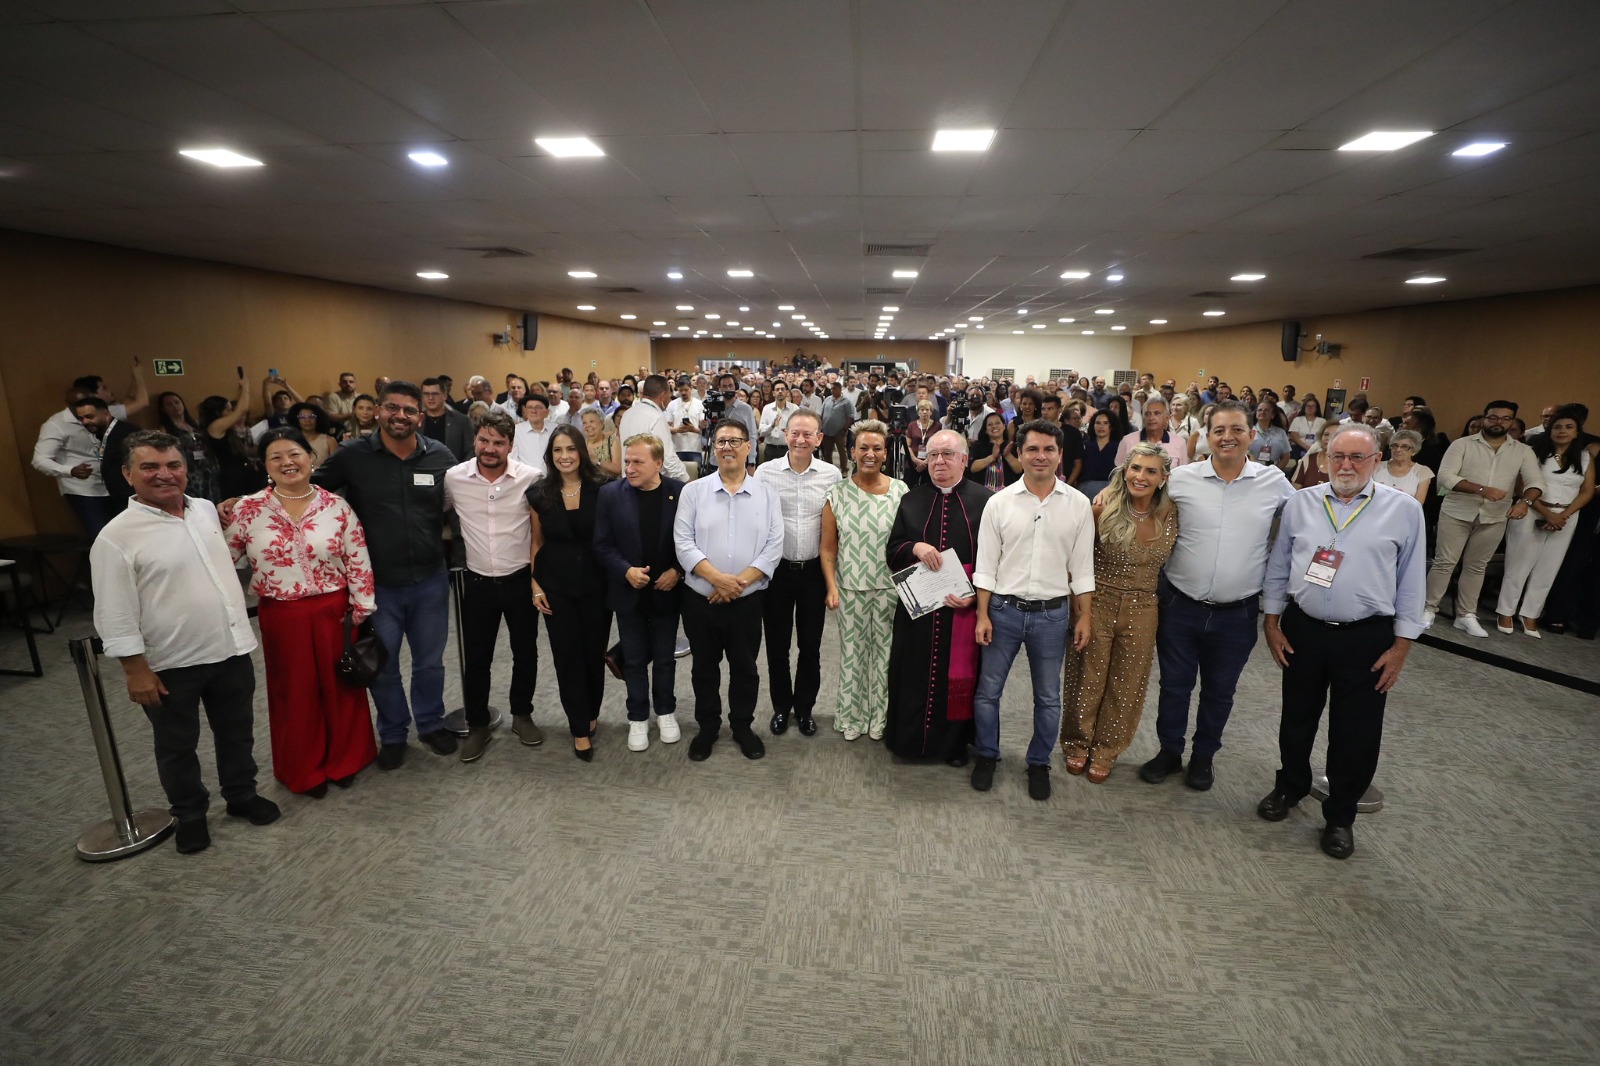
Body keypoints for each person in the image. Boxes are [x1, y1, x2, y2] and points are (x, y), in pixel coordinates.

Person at [92, 430, 278, 854]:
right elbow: (114, 612)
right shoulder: (116, 537)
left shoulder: (205, 510)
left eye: (173, 465)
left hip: (230, 649)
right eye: (150, 467)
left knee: (237, 733)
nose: (164, 474)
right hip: (170, 663)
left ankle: (241, 794)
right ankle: (190, 813)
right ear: (127, 474)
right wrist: (135, 671)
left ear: (185, 469)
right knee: (177, 746)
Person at [1259, 424, 1426, 861]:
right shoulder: (1301, 503)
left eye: (1357, 457)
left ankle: (1340, 815)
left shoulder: (1404, 510)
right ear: (1325, 458)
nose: (1346, 465)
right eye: (1338, 456)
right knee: (1297, 716)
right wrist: (1272, 622)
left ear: (1376, 461)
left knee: (1356, 731)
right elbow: (1279, 565)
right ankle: (1290, 785)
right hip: (1304, 628)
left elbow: (1412, 581)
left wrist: (1402, 646)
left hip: (1367, 636)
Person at [1140, 399, 1294, 791]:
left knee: (1220, 691)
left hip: (1237, 612)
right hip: (1180, 604)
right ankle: (1169, 751)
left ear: (1252, 435)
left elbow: (1306, 523)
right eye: (1219, 430)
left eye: (1237, 429)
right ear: (1207, 437)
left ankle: (1203, 756)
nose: (1228, 437)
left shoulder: (1274, 483)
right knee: (1174, 686)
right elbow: (1138, 499)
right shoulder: (1181, 479)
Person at [311, 381, 458, 767]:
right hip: (377, 585)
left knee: (430, 662)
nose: (400, 416)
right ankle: (393, 733)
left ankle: (430, 723)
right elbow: (309, 493)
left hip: (430, 580)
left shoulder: (439, 456)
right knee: (383, 664)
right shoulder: (352, 455)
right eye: (392, 407)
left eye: (409, 410)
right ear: (378, 411)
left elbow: (461, 502)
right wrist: (249, 501)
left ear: (420, 417)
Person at [226, 428, 378, 795]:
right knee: (294, 692)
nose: (287, 462)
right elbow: (224, 561)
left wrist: (362, 606)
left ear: (311, 458)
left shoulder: (336, 507)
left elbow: (357, 558)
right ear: (264, 465)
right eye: (275, 457)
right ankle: (303, 767)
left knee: (341, 686)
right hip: (282, 615)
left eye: (294, 454)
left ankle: (345, 759)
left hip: (333, 611)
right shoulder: (247, 509)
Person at [970, 421, 1095, 801]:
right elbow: (986, 565)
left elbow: (1082, 568)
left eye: (1048, 449)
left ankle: (1039, 762)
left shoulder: (1078, 504)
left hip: (1052, 616)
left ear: (1060, 455)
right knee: (988, 692)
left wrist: (1085, 616)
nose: (1041, 456)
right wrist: (982, 614)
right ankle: (987, 754)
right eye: (1033, 449)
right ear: (1019, 454)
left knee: (1048, 697)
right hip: (1003, 611)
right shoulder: (999, 502)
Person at [1062, 443, 1178, 783]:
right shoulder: (1102, 508)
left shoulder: (1172, 513)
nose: (1141, 476)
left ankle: (1107, 749)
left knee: (1127, 683)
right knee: (1088, 676)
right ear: (1125, 471)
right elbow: (1077, 561)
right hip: (1099, 599)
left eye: (1151, 471)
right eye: (1135, 468)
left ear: (1163, 478)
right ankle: (1077, 742)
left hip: (1144, 606)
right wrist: (1077, 607)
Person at [673, 419, 784, 761]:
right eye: (721, 441)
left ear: (749, 447)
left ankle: (742, 727)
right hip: (700, 599)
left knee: (745, 668)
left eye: (735, 441)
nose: (727, 447)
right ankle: (707, 727)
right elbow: (683, 543)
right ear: (713, 448)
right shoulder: (693, 491)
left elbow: (773, 546)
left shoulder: (767, 494)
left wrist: (737, 585)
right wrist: (718, 580)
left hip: (746, 602)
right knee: (704, 668)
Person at [442, 412, 546, 762]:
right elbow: (438, 515)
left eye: (499, 442)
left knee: (525, 652)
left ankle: (522, 714)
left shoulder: (530, 478)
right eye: (484, 440)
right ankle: (478, 725)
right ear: (475, 440)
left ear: (510, 446)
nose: (490, 448)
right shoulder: (454, 478)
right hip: (477, 582)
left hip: (519, 580)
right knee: (477, 658)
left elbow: (541, 531)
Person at [883, 429, 991, 766]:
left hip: (963, 610)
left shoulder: (986, 501)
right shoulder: (911, 500)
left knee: (955, 678)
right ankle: (909, 741)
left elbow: (996, 560)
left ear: (964, 459)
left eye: (947, 454)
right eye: (932, 455)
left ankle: (953, 745)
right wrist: (915, 546)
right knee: (913, 673)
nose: (939, 462)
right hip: (919, 611)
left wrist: (976, 598)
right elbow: (892, 551)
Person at [595, 434, 686, 752]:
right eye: (627, 461)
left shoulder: (679, 493)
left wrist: (677, 570)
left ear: (658, 464)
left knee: (664, 658)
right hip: (628, 592)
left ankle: (666, 711)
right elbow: (602, 544)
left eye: (637, 462)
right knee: (633, 659)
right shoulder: (610, 494)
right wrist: (625, 570)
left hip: (666, 591)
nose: (629, 468)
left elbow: (691, 539)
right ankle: (637, 716)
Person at [754, 409, 841, 737]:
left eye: (808, 434)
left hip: (813, 574)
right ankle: (781, 707)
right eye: (795, 433)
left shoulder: (832, 475)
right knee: (776, 646)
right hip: (776, 573)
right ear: (785, 434)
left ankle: (804, 709)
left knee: (810, 646)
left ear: (819, 439)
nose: (800, 440)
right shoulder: (765, 473)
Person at [1425, 400, 1545, 636]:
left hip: (1495, 516)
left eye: (1505, 418)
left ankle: (1465, 615)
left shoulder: (1523, 451)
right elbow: (1446, 477)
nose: (1498, 422)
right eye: (1493, 417)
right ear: (1484, 418)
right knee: (1445, 562)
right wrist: (1481, 490)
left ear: (1512, 421)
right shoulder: (1462, 444)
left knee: (1477, 566)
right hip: (1457, 512)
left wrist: (1524, 502)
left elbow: (1536, 483)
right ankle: (1428, 608)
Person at [819, 419, 907, 741]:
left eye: (877, 448)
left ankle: (880, 719)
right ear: (852, 452)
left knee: (885, 657)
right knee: (853, 656)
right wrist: (831, 586)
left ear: (885, 454)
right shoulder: (837, 494)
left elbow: (908, 543)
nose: (870, 454)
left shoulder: (901, 492)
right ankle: (852, 717)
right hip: (850, 589)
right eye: (863, 448)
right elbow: (828, 548)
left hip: (891, 589)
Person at [529, 425, 611, 759]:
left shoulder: (603, 488)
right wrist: (534, 584)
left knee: (593, 653)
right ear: (550, 456)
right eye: (558, 450)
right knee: (567, 656)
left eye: (571, 449)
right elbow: (536, 541)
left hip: (597, 584)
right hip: (555, 584)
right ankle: (578, 727)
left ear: (582, 451)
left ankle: (591, 711)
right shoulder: (539, 493)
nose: (564, 456)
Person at [1495, 406, 1594, 636]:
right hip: (1532, 510)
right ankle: (1505, 611)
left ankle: (1530, 614)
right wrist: (1547, 514)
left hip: (1566, 517)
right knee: (1518, 565)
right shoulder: (1533, 452)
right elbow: (1520, 486)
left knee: (1548, 568)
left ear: (1577, 432)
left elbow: (1587, 491)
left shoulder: (1584, 457)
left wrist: (1562, 515)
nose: (1562, 431)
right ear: (1549, 430)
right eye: (1557, 427)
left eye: (1568, 427)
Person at [33, 363, 149, 540]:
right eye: (77, 406)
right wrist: (69, 470)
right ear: (68, 404)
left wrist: (137, 377)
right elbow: (39, 459)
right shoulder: (56, 425)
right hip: (84, 490)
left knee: (130, 534)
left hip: (114, 486)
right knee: (102, 537)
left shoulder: (104, 412)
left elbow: (138, 403)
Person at [617, 374, 691, 482]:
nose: (669, 399)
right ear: (663, 395)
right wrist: (687, 482)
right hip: (649, 483)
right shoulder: (656, 417)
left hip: (628, 479)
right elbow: (668, 457)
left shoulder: (627, 414)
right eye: (668, 395)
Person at [155, 391, 221, 501]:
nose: (175, 406)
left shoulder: (196, 425)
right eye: (169, 404)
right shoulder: (165, 430)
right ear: (163, 409)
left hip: (207, 468)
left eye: (177, 402)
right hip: (189, 471)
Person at [76, 397, 138, 510]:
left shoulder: (128, 434)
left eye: (90, 416)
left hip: (135, 500)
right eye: (81, 418)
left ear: (106, 414)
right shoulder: (103, 435)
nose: (85, 422)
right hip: (120, 500)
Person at [1373, 429, 1433, 504]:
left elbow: (1418, 504)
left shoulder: (1422, 471)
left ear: (1414, 451)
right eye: (1395, 445)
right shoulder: (1376, 466)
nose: (1398, 450)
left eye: (1405, 447)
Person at [420, 377, 473, 459]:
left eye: (435, 394)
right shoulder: (416, 420)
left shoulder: (461, 421)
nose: (430, 398)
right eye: (426, 394)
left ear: (444, 396)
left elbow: (470, 451)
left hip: (453, 466)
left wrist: (461, 467)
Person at [968, 411, 1022, 491]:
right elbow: (973, 468)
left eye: (997, 423)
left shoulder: (1012, 446)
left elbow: (1019, 470)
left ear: (1004, 426)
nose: (994, 426)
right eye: (990, 424)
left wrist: (1007, 455)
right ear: (985, 430)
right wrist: (992, 457)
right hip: (983, 493)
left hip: (1007, 493)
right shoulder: (978, 446)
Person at [665, 377, 705, 478]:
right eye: (681, 390)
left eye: (686, 390)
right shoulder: (672, 404)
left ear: (691, 389)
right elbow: (666, 427)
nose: (683, 392)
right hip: (677, 448)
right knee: (677, 478)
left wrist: (693, 429)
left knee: (695, 477)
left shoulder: (699, 404)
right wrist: (677, 430)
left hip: (694, 448)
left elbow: (704, 429)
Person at [512, 393, 555, 477]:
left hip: (552, 479)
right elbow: (513, 460)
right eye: (530, 407)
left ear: (547, 412)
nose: (533, 411)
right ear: (525, 411)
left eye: (538, 407)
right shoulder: (516, 431)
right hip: (525, 479)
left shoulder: (555, 429)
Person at [757, 380, 798, 464]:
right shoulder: (767, 408)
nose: (780, 391)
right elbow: (761, 432)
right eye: (777, 389)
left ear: (787, 392)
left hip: (788, 449)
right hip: (771, 449)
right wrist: (772, 426)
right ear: (773, 393)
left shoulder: (795, 409)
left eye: (782, 389)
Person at [819, 380, 855, 473]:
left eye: (834, 389)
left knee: (842, 451)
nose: (832, 390)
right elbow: (822, 413)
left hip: (840, 431)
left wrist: (844, 429)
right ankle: (829, 469)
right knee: (827, 452)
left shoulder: (846, 402)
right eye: (831, 389)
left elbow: (850, 416)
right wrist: (821, 426)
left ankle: (844, 468)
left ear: (840, 389)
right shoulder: (827, 399)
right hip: (827, 430)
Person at [286, 402, 338, 467]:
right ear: (296, 420)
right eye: (302, 417)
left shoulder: (329, 441)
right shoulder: (290, 442)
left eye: (311, 417)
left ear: (318, 419)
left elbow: (336, 466)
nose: (307, 420)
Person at [1291, 421, 1340, 488]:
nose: (1327, 438)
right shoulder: (1307, 460)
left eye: (1334, 435)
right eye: (1326, 434)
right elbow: (1294, 489)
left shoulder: (1346, 463)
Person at [1249, 400, 1294, 470]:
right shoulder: (1248, 431)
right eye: (1260, 410)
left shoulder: (1281, 432)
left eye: (1266, 410)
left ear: (1273, 415)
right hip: (1252, 469)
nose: (1262, 412)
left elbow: (1286, 456)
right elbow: (1244, 453)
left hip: (1274, 469)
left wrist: (1275, 471)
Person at [905, 399, 939, 486]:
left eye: (927, 410)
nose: (924, 412)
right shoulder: (912, 425)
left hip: (930, 462)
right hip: (912, 462)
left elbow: (938, 446)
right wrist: (915, 460)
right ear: (918, 412)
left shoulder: (937, 426)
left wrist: (926, 462)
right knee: (910, 487)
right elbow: (907, 445)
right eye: (922, 410)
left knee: (928, 488)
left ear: (931, 412)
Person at [580, 407, 621, 479]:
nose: (588, 425)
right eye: (584, 423)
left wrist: (597, 462)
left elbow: (618, 469)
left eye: (592, 421)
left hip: (610, 484)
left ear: (601, 424)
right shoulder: (582, 445)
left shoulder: (612, 441)